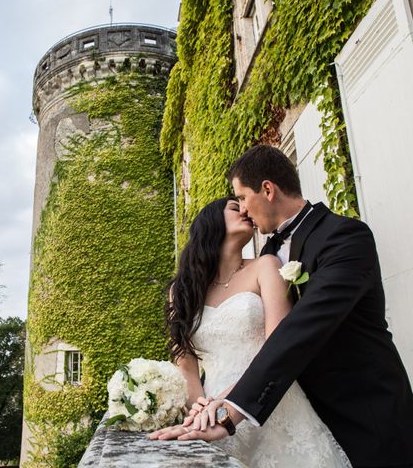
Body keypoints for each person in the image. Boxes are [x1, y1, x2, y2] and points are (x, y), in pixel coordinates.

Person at [151, 145, 413, 467]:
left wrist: (231, 411)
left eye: (242, 198)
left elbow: (301, 329)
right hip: (288, 406)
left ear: (267, 189)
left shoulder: (345, 237)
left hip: (363, 410)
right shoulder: (270, 253)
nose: (244, 210)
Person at [153, 195, 351, 466]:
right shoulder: (183, 290)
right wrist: (201, 409)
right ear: (211, 223)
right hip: (212, 409)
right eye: (235, 207)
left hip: (268, 401)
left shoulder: (266, 266)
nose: (245, 210)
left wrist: (226, 404)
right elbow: (186, 366)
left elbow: (277, 344)